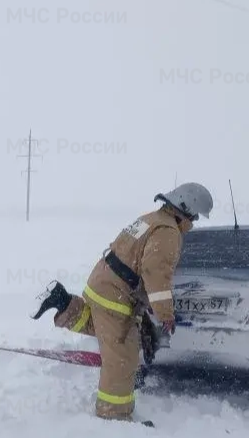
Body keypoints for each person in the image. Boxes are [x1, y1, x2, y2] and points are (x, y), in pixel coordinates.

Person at [31, 182, 214, 424]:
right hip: (116, 294)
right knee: (123, 355)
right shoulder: (168, 232)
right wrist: (165, 313)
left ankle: (64, 303)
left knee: (102, 329)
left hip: (102, 282)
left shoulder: (150, 219)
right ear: (186, 208)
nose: (194, 221)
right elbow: (155, 272)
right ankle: (113, 416)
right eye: (195, 216)